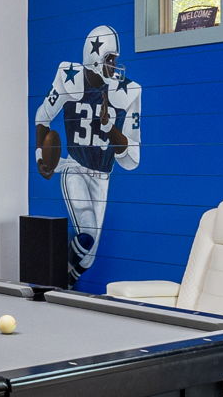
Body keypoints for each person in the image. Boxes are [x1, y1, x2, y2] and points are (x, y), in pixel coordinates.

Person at [34, 24, 142, 279]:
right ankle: (55, 280)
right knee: (88, 232)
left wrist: (109, 128)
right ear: (95, 58)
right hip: (75, 168)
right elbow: (43, 116)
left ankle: (65, 281)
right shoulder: (68, 77)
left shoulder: (129, 91)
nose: (115, 65)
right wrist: (42, 156)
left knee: (88, 258)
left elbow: (131, 158)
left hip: (103, 176)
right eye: (111, 59)